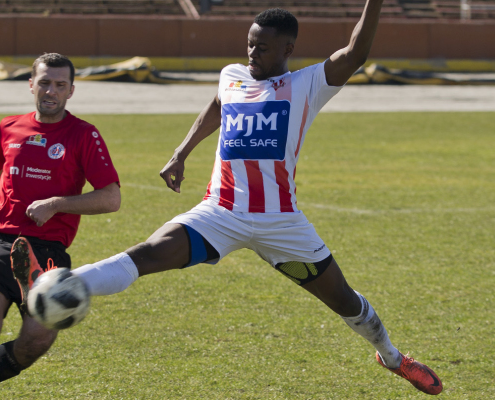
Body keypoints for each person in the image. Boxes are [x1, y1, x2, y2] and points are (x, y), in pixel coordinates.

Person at [67, 6, 443, 396]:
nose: (252, 53)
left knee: (344, 300)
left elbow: (355, 53)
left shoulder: (307, 84)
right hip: (220, 212)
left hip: (281, 221)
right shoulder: (231, 76)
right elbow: (217, 104)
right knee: (148, 253)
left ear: (287, 49)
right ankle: (60, 284)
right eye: (249, 44)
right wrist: (182, 151)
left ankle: (393, 358)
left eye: (262, 48)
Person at [0, 53, 121, 400]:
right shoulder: (10, 126)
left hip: (47, 252)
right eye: (44, 82)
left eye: (60, 85)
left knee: (37, 341)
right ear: (31, 84)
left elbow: (110, 197)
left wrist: (57, 203)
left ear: (71, 91)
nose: (51, 91)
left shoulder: (84, 135)